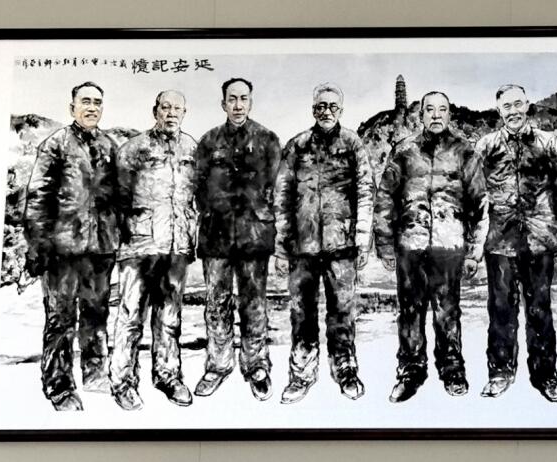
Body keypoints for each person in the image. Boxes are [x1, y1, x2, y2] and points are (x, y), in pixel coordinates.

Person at [374, 91, 487, 403]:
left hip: (449, 245)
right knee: (410, 311)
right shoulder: (404, 150)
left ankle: (452, 368)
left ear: (449, 114)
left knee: (447, 310)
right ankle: (411, 370)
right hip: (410, 244)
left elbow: (479, 203)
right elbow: (385, 199)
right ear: (420, 114)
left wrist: (475, 250)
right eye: (430, 110)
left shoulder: (465, 151)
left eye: (442, 110)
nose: (436, 115)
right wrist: (384, 244)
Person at [474, 84, 557, 401]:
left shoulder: (547, 142)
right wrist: (474, 241)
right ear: (499, 110)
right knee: (500, 311)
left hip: (540, 239)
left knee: (540, 310)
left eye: (518, 104)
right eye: (507, 106)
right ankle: (499, 373)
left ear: (527, 105)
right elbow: (474, 195)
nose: (513, 111)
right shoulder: (486, 146)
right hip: (499, 241)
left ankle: (546, 376)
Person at [274, 83, 374, 404]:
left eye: (332, 106)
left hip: (341, 245)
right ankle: (301, 374)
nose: (326, 111)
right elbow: (281, 198)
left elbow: (365, 192)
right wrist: (281, 247)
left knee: (342, 311)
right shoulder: (297, 145)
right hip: (302, 247)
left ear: (340, 110)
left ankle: (345, 369)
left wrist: (362, 239)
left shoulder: (353, 144)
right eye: (320, 106)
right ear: (313, 109)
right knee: (301, 313)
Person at [23, 81, 120, 411]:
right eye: (85, 102)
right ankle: (59, 385)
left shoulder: (110, 146)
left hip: (101, 249)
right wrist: (38, 246)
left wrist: (117, 237)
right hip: (62, 250)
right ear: (72, 108)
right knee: (61, 319)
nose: (92, 108)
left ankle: (95, 374)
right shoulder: (55, 145)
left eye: (97, 102)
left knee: (96, 314)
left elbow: (120, 198)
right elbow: (38, 198)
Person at [193, 77, 282, 401]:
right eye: (232, 99)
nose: (238, 105)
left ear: (251, 102)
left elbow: (277, 188)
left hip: (254, 236)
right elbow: (198, 187)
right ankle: (218, 365)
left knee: (254, 303)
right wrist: (214, 211)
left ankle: (256, 365)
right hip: (216, 236)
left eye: (243, 98)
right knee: (217, 303)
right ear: (223, 103)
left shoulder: (268, 140)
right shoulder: (208, 141)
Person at [108, 90, 197, 410]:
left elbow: (196, 197)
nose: (171, 113)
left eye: (177, 108)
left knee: (170, 317)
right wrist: (127, 233)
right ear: (155, 110)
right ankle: (122, 382)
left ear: (184, 113)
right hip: (139, 245)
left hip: (176, 245)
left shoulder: (192, 148)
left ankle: (167, 376)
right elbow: (116, 197)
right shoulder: (134, 149)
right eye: (165, 107)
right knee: (130, 315)